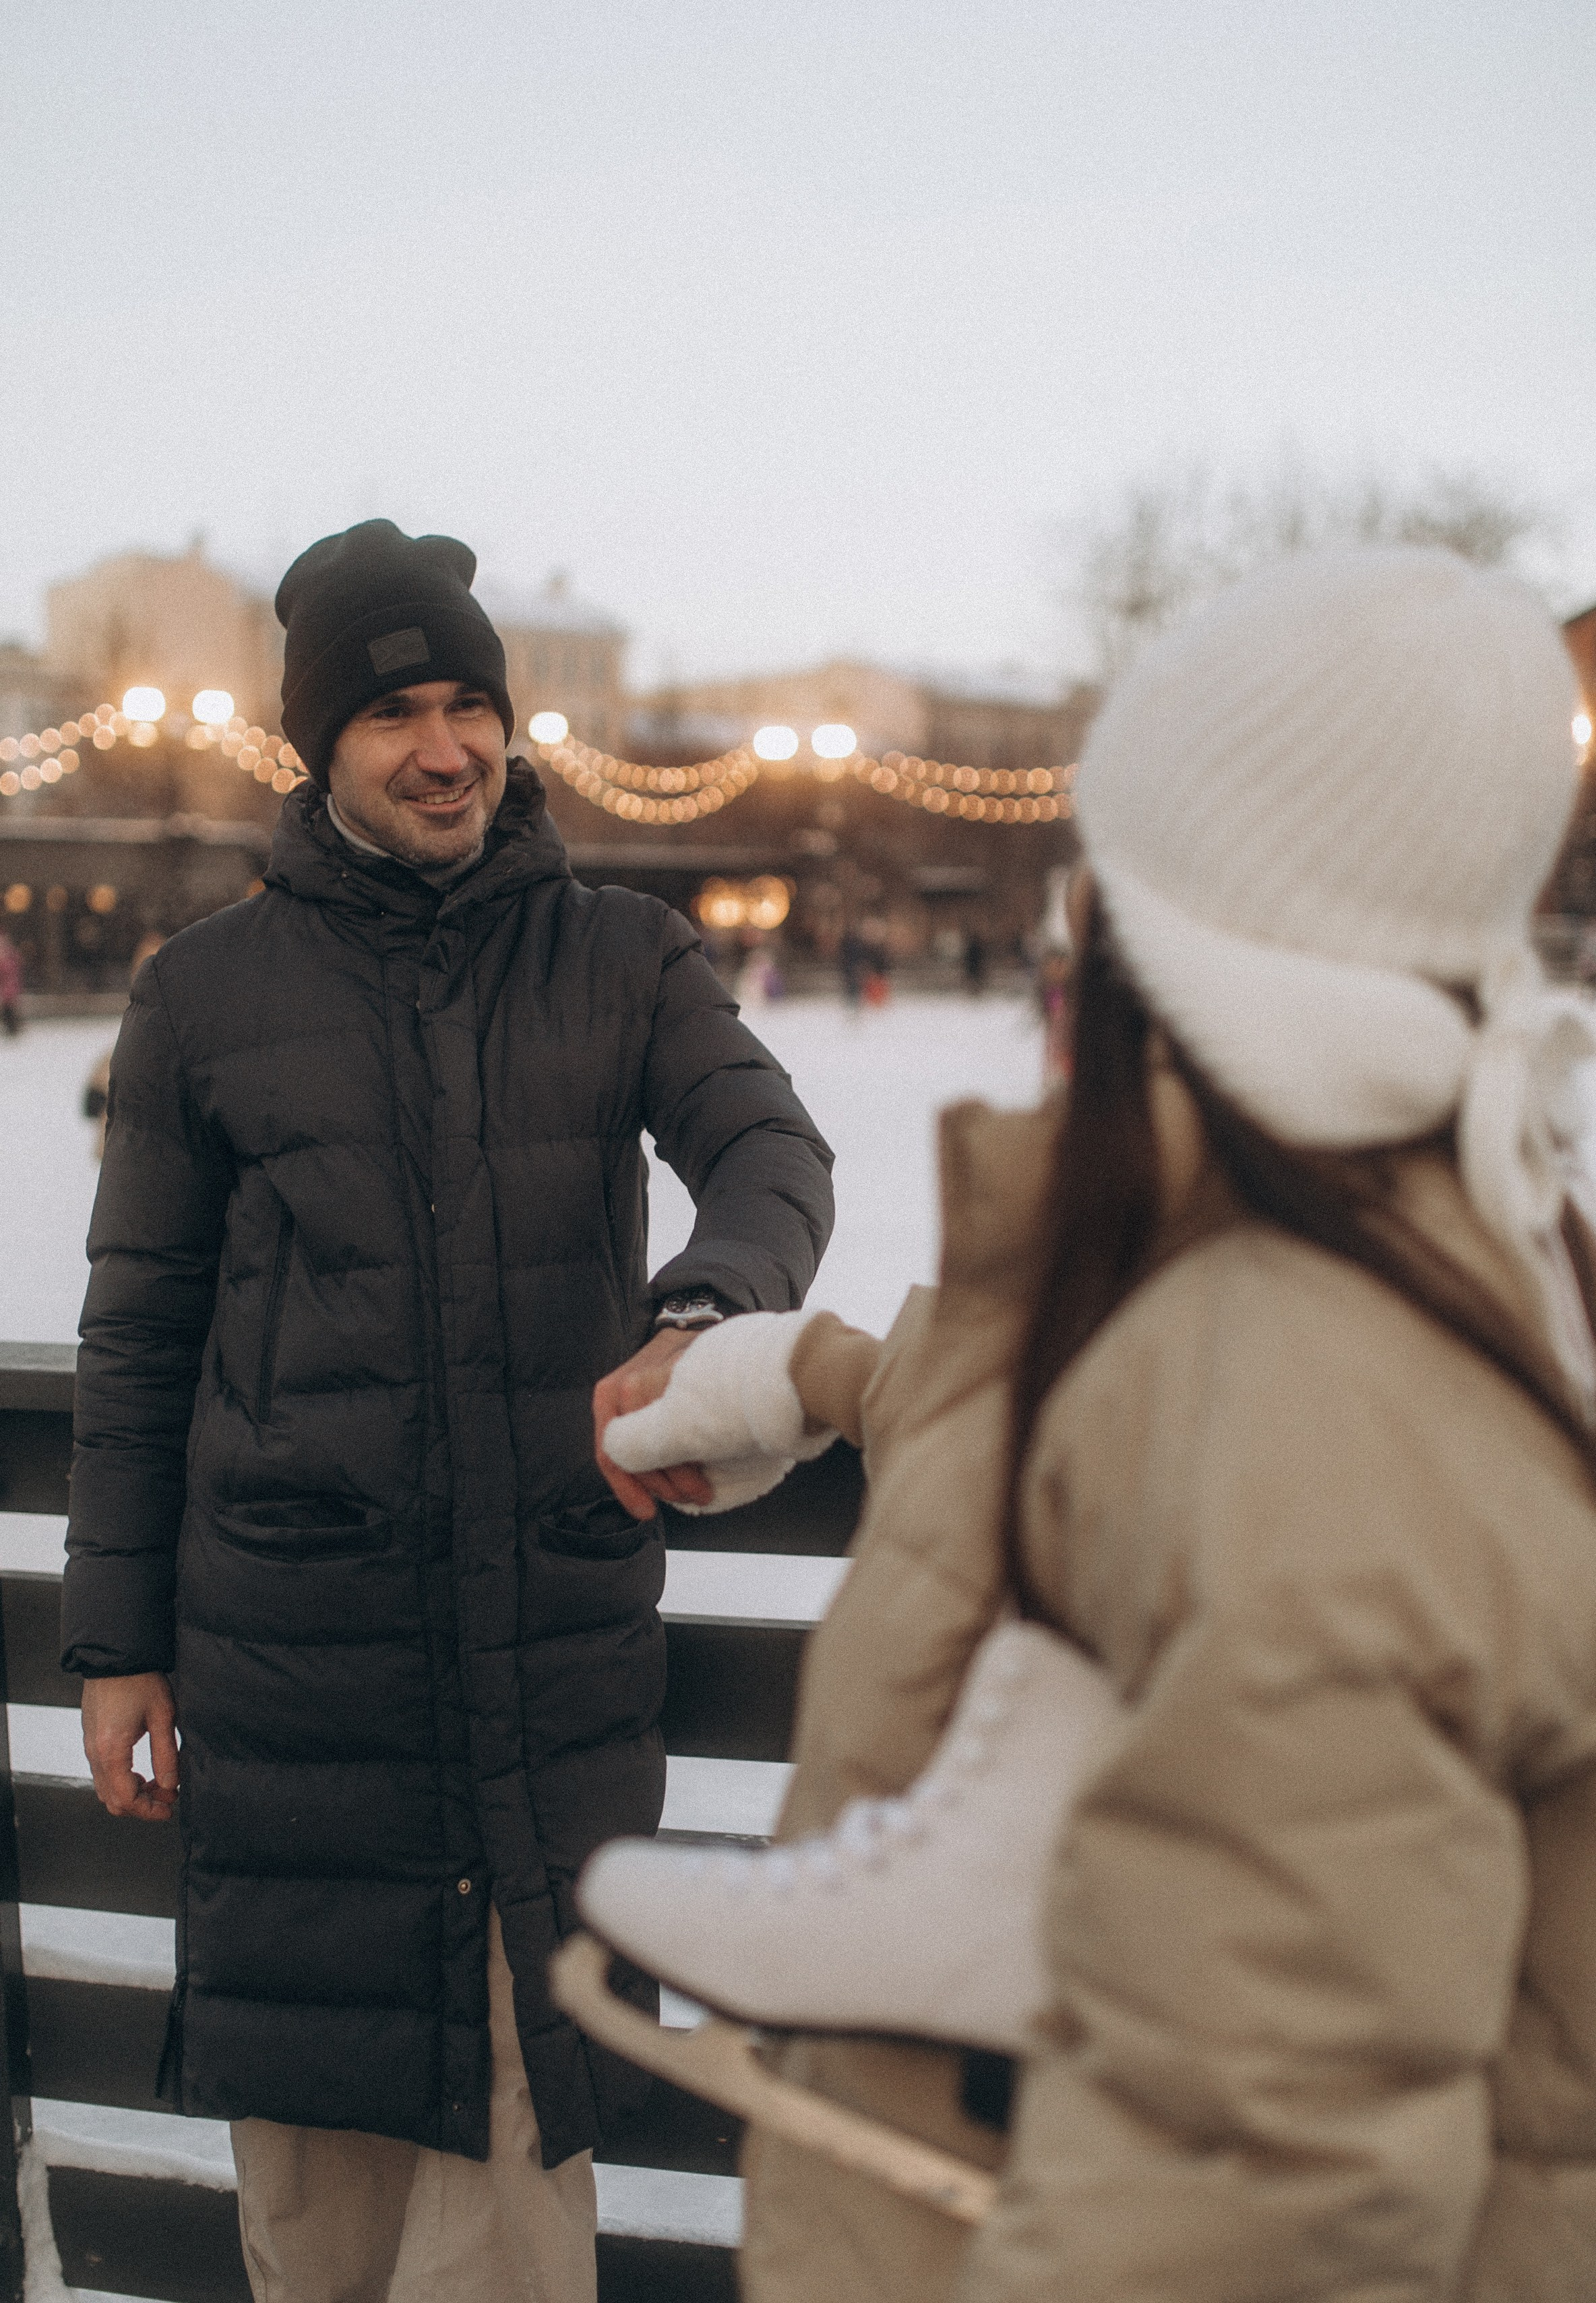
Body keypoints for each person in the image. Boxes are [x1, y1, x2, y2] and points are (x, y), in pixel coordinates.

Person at [590, 547, 1596, 2301]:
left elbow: (1267, 2179)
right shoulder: (1332, 1241)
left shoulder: (1296, 1379)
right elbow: (1112, 1436)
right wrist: (807, 1373)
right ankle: (987, 1834)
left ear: (1175, 924)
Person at [63, 518, 835, 2303]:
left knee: (503, 2201)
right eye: (397, 709)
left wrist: (707, 1309)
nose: (447, 745)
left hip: (534, 1678)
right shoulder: (203, 996)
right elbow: (144, 1334)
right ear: (318, 746)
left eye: (470, 702)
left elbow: (768, 1149)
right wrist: (117, 1648)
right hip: (291, 1683)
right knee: (317, 2220)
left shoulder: (621, 957)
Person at [0, 926, 23, 1036]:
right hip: (7, 989)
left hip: (8, 989)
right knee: (8, 1009)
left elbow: (12, 970)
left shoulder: (9, 954)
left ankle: (13, 1028)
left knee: (9, 1009)